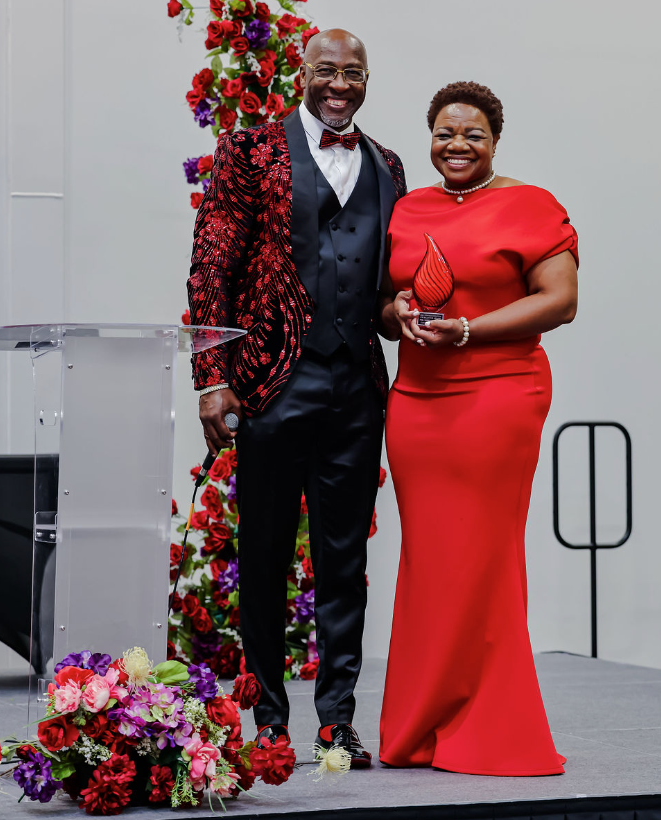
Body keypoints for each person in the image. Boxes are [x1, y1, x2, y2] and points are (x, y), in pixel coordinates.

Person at [188, 28, 406, 767]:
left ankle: (337, 720)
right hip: (273, 383)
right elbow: (211, 262)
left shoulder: (388, 164)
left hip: (355, 386)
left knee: (344, 560)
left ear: (367, 79)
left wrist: (404, 316)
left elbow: (383, 283)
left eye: (352, 73)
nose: (339, 84)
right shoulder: (250, 150)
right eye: (326, 71)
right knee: (265, 554)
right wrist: (211, 378)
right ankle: (270, 722)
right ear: (301, 74)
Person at [378, 81, 578, 775]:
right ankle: (420, 728)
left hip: (497, 398)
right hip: (415, 405)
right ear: (428, 137)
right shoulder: (407, 207)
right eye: (443, 133)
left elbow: (560, 302)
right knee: (429, 564)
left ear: (495, 139)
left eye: (471, 134)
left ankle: (491, 729)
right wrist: (396, 312)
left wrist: (465, 330)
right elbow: (382, 301)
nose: (455, 145)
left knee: (484, 563)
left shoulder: (531, 204)